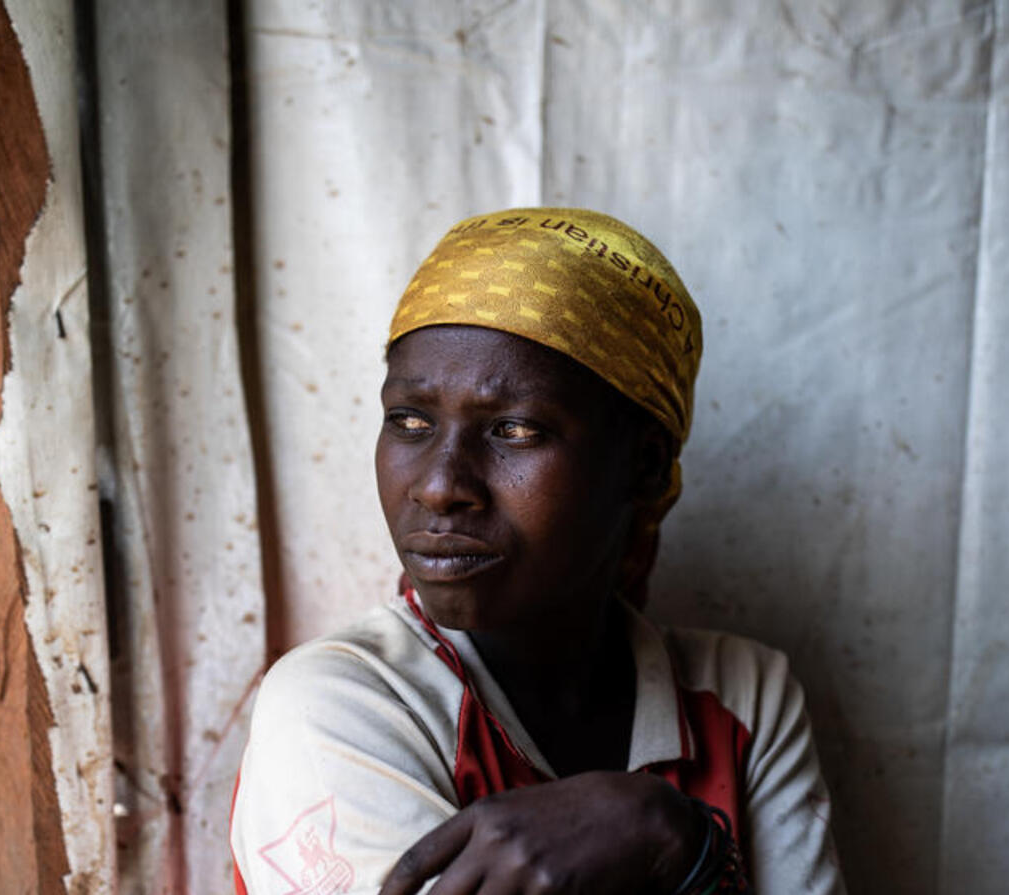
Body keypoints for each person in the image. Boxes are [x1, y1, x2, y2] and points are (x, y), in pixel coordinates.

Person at [229, 208, 845, 894]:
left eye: (514, 429)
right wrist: (670, 842)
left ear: (642, 467)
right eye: (409, 421)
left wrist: (685, 838)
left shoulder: (742, 696)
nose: (438, 487)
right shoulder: (341, 706)